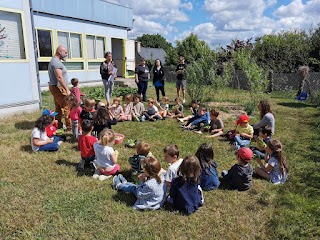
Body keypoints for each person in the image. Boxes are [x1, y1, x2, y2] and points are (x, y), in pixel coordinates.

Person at [48, 45, 71, 130]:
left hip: (55, 87)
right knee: (66, 107)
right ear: (59, 52)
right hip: (58, 87)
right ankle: (69, 126)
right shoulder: (56, 62)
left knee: (58, 107)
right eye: (65, 52)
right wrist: (67, 89)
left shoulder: (55, 61)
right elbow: (59, 77)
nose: (66, 54)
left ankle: (58, 124)